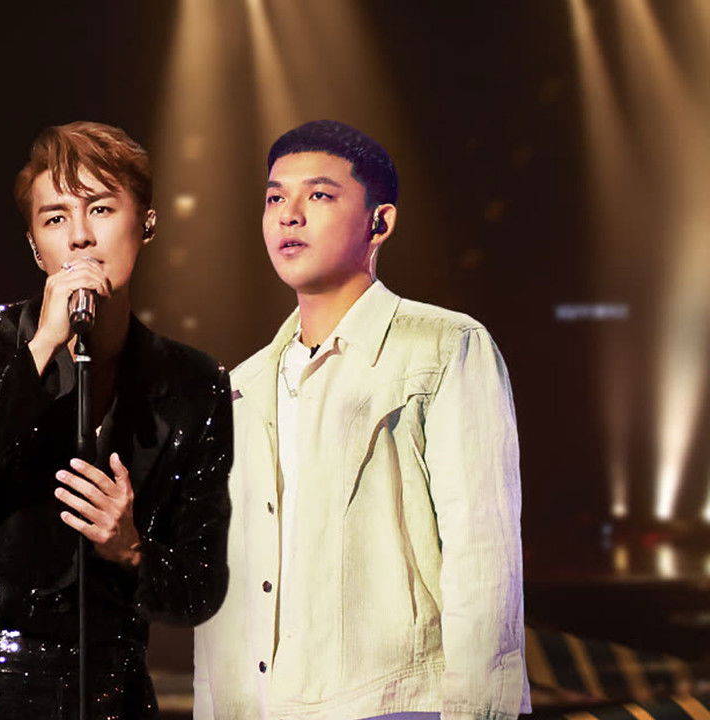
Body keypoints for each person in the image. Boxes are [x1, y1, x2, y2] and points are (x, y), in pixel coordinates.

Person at [193, 120, 530, 720]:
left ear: (380, 222)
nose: (289, 215)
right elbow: (226, 584)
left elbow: (483, 556)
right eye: (275, 198)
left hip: (395, 702)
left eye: (319, 195)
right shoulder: (242, 386)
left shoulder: (443, 345)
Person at [0, 121, 233, 719]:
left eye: (101, 209)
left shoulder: (194, 383)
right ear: (36, 247)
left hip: (113, 685)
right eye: (55, 218)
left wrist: (131, 549)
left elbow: (199, 588)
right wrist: (40, 351)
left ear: (147, 223)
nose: (80, 236)